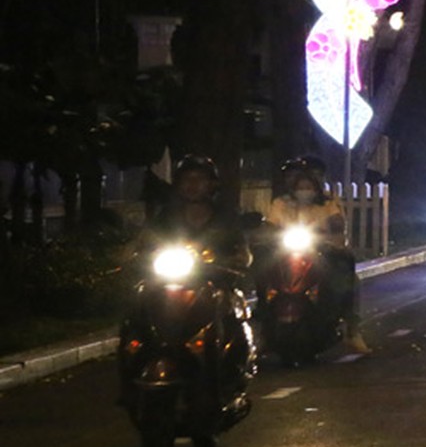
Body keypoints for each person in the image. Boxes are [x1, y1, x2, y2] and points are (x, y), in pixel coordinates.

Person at [124, 154, 254, 400]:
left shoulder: (224, 217)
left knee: (229, 318)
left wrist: (237, 260)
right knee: (135, 317)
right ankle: (131, 383)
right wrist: (132, 253)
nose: (192, 185)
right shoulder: (166, 217)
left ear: (211, 184)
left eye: (199, 179)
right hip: (169, 284)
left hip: (212, 284)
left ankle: (228, 376)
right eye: (187, 179)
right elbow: (144, 241)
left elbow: (242, 251)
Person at [263, 157, 370, 354]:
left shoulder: (328, 202)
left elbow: (338, 225)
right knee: (263, 273)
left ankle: (351, 329)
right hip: (285, 254)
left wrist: (332, 240)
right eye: (295, 179)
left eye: (308, 181)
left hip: (322, 254)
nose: (303, 187)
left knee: (345, 272)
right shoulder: (281, 203)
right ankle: (262, 324)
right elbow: (269, 228)